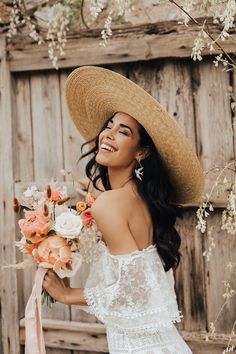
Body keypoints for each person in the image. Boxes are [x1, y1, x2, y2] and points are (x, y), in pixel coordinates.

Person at [42, 66, 205, 354]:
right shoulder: (138, 199)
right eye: (109, 125)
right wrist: (96, 197)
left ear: (141, 152)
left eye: (124, 132)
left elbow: (134, 290)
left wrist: (67, 294)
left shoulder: (111, 204)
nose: (108, 135)